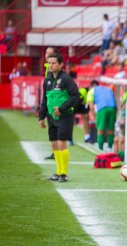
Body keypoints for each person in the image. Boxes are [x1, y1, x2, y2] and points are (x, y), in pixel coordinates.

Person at [38, 53, 79, 182]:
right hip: (51, 117)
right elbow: (45, 99)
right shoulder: (47, 80)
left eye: (54, 63)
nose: (51, 65)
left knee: (62, 143)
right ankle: (58, 171)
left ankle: (64, 173)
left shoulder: (66, 79)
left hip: (65, 117)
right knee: (54, 144)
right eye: (49, 63)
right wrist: (41, 116)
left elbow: (75, 97)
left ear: (61, 65)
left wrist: (61, 109)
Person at [86, 80, 117, 151]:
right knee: (110, 129)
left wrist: (94, 116)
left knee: (100, 129)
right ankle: (109, 147)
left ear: (90, 87)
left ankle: (100, 149)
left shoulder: (91, 91)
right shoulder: (108, 89)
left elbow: (91, 106)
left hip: (102, 108)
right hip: (113, 107)